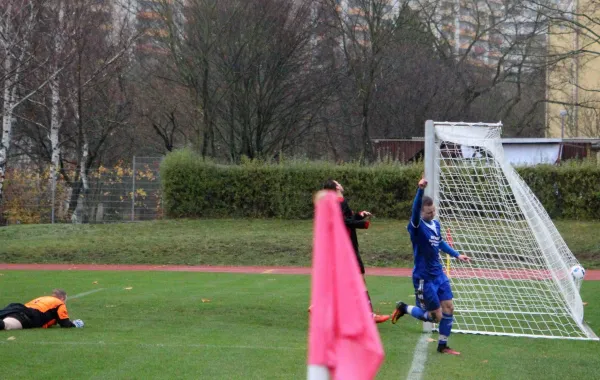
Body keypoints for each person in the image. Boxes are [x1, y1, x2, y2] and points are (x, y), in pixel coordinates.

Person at [390, 176, 470, 355]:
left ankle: (443, 346)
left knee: (449, 307)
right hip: (423, 279)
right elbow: (415, 209)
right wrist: (420, 190)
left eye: (433, 211)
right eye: (428, 212)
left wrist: (457, 255)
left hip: (438, 275)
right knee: (436, 316)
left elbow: (440, 243)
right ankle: (405, 308)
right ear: (421, 213)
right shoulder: (416, 228)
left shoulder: (436, 224)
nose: (431, 214)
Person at [322, 179, 390, 324]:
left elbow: (346, 218)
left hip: (344, 247)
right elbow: (343, 221)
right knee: (359, 280)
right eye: (337, 182)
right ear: (336, 187)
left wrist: (359, 215)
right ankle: (369, 315)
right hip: (347, 248)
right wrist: (363, 223)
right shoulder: (339, 201)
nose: (340, 183)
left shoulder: (337, 202)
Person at [0, 289, 84, 330]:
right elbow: (65, 324)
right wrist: (76, 324)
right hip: (28, 316)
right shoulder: (59, 303)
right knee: (6, 325)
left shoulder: (44, 298)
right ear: (62, 298)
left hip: (17, 308)